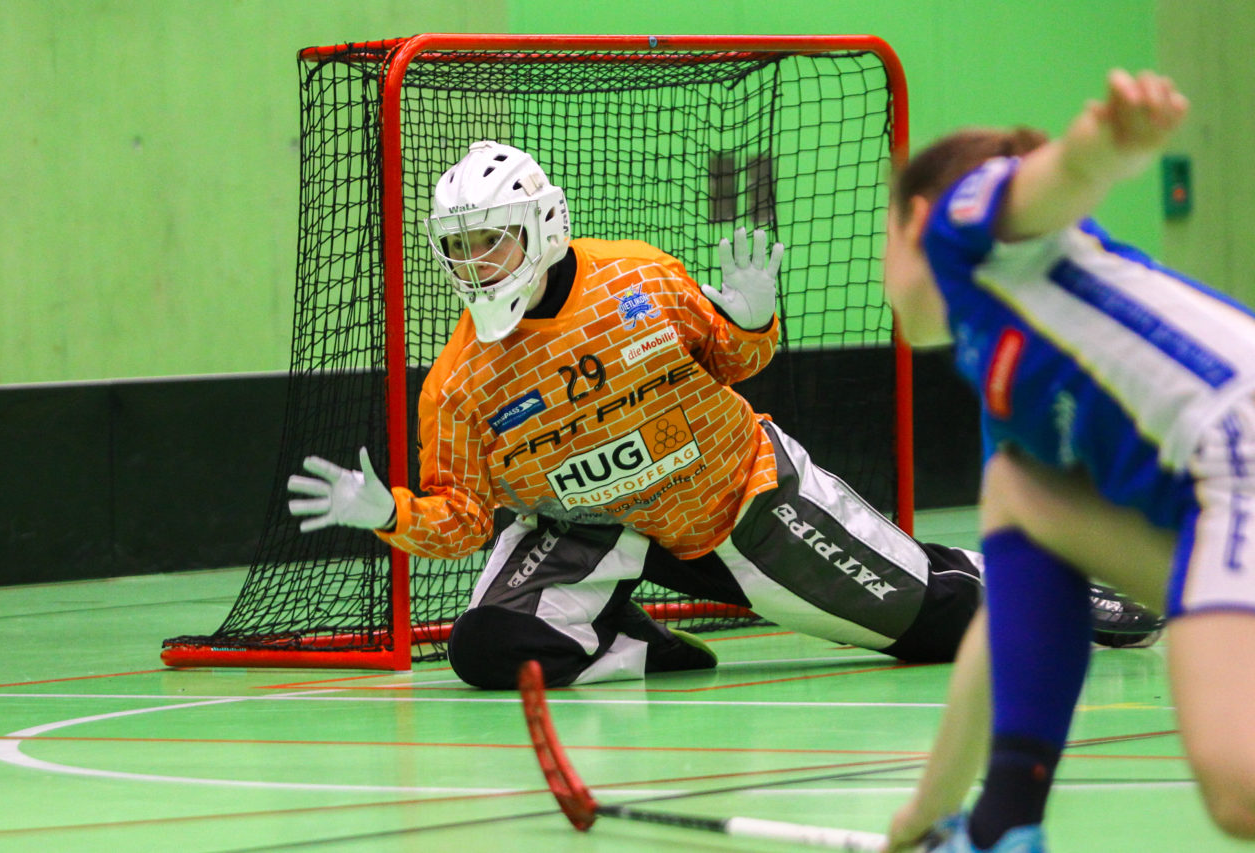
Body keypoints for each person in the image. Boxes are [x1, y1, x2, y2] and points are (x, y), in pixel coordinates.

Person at [286, 140, 1160, 691]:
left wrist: (752, 318)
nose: (476, 263)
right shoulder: (458, 384)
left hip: (735, 497)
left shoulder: (638, 277)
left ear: (545, 224)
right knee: (486, 648)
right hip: (591, 526)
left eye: (492, 239)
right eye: (459, 247)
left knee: (932, 624)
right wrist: (391, 512)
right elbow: (469, 516)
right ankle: (630, 641)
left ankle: (1048, 585)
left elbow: (739, 362)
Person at [880, 70, 1255, 852]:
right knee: (1018, 495)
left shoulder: (957, 228)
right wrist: (920, 814)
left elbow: (1051, 180)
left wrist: (1103, 146)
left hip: (1235, 446)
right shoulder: (1016, 404)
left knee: (1238, 785)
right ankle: (1004, 823)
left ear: (913, 219)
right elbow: (1004, 634)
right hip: (1211, 494)